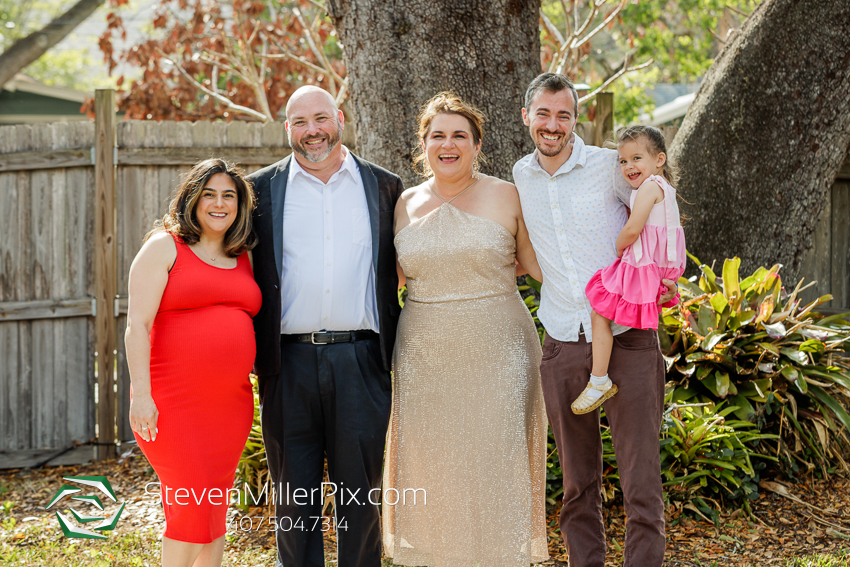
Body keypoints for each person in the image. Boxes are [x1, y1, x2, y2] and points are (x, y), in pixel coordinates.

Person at [513, 73, 678, 567]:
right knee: (576, 485)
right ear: (527, 117)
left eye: (563, 114)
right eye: (543, 113)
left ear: (575, 119)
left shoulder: (612, 166)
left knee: (641, 480)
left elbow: (659, 205)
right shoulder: (521, 175)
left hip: (627, 340)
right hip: (563, 340)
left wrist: (663, 273)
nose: (553, 124)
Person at [383, 92, 549, 567]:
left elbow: (541, 266)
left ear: (477, 146)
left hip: (500, 351)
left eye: (460, 135)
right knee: (433, 468)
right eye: (438, 135)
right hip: (424, 357)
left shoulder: (507, 194)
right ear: (423, 144)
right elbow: (384, 279)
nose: (448, 144)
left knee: (494, 467)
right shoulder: (403, 204)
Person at [247, 85, 404, 567]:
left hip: (361, 359)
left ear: (339, 117)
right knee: (294, 497)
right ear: (286, 129)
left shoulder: (384, 186)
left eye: (320, 118)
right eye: (300, 122)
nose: (312, 131)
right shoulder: (259, 191)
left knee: (361, 497)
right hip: (286, 363)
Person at [125, 158, 261, 567]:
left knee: (213, 509)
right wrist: (141, 397)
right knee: (189, 509)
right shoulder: (165, 246)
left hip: (230, 406)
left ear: (240, 205)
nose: (219, 204)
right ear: (192, 199)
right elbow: (137, 326)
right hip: (172, 403)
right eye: (209, 195)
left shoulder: (243, 257)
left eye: (229, 196)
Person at [575, 125, 686, 414]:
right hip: (657, 268)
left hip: (641, 265)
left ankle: (599, 379)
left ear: (659, 160)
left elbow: (634, 228)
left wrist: (619, 245)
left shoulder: (649, 187)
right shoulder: (663, 189)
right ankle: (603, 377)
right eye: (623, 161)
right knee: (608, 312)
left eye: (636, 158)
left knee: (599, 310)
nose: (628, 166)